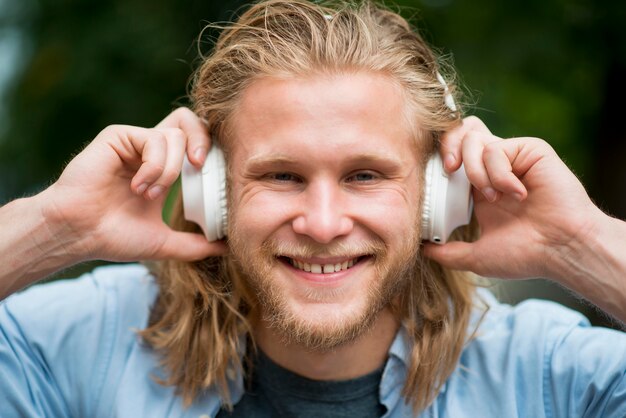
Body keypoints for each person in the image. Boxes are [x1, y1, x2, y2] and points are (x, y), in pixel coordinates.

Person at [1, 0, 625, 417]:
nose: (323, 224)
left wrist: (582, 244)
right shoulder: (83, 345)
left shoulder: (547, 376)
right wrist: (55, 227)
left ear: (439, 192)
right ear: (210, 190)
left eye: (365, 175)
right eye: (281, 175)